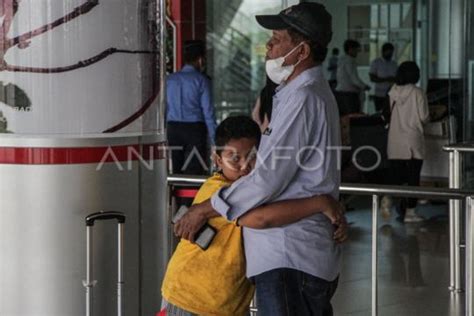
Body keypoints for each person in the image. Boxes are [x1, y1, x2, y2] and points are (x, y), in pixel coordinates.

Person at [174, 3, 348, 315]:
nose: (268, 46)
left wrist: (203, 209)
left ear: (302, 50)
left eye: (278, 38)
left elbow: (268, 178)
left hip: (291, 258)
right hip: (292, 258)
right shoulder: (297, 94)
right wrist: (323, 204)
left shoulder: (304, 98)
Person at [161, 116, 344, 315]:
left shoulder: (254, 193)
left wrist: (333, 217)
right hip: (189, 297)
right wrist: (320, 204)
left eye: (252, 157)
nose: (244, 166)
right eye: (235, 159)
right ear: (217, 159)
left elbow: (282, 209)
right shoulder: (217, 190)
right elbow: (260, 218)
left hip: (225, 305)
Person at [383, 61, 430, 223]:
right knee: (412, 178)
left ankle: (388, 198)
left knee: (396, 175)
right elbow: (424, 117)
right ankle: (410, 212)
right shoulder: (418, 92)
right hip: (412, 140)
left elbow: (387, 113)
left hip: (395, 139)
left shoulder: (392, 91)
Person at [166, 40, 217, 175]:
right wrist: (215, 139)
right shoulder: (201, 80)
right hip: (194, 130)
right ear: (200, 60)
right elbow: (208, 112)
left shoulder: (170, 80)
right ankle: (190, 196)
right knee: (194, 169)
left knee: (175, 170)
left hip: (173, 129)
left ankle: (175, 195)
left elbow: (164, 107)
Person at [335, 39, 370, 114]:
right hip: (349, 95)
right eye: (356, 50)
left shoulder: (342, 59)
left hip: (340, 93)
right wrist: (364, 86)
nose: (357, 52)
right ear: (350, 49)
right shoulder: (350, 60)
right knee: (353, 118)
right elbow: (354, 79)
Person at [369, 43, 397, 117]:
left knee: (391, 114)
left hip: (392, 94)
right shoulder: (376, 62)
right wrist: (386, 79)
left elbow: (397, 77)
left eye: (391, 53)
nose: (390, 54)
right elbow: (372, 78)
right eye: (388, 52)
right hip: (379, 94)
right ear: (383, 52)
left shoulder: (394, 64)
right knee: (380, 114)